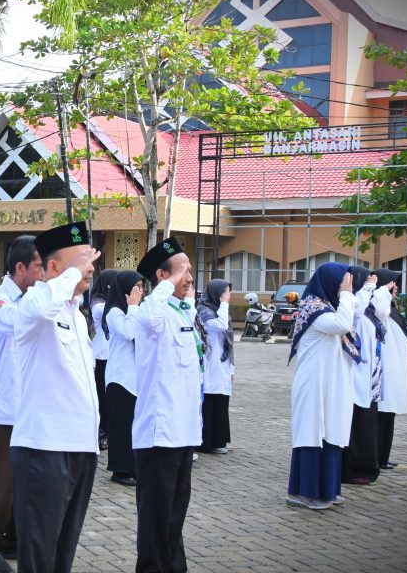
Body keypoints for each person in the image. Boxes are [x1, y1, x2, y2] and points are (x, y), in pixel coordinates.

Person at [11, 222, 101, 573]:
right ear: (53, 268)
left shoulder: (77, 316)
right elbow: (38, 309)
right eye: (80, 260)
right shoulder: (36, 302)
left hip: (80, 446)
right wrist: (68, 278)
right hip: (44, 448)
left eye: (91, 259)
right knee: (39, 551)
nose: (90, 267)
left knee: (63, 549)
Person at [132, 237, 202, 573]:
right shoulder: (153, 314)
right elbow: (149, 317)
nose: (189, 276)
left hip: (183, 431)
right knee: (156, 517)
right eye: (182, 270)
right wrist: (168, 285)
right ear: (161, 276)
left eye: (190, 270)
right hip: (159, 434)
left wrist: (183, 293)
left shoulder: (180, 312)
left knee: (175, 514)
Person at [0, 235, 43, 573]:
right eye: (39, 267)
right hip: (3, 406)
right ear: (20, 268)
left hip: (28, 406)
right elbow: (19, 322)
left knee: (24, 482)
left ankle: (10, 538)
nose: (44, 273)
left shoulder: (30, 298)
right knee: (2, 485)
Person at [286, 262, 358, 510]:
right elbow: (342, 325)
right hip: (314, 381)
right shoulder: (314, 308)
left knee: (331, 429)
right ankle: (304, 492)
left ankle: (327, 490)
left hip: (330, 380)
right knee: (312, 430)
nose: (345, 287)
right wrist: (347, 296)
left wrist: (349, 296)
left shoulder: (329, 307)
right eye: (342, 282)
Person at [341, 267, 388, 485]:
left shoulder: (369, 311)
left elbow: (383, 312)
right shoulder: (353, 309)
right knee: (356, 425)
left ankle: (365, 466)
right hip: (356, 377)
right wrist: (367, 288)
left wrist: (382, 290)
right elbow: (355, 312)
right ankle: (353, 468)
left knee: (366, 424)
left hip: (369, 378)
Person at [102, 270, 145, 487]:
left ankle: (134, 467)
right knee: (121, 425)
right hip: (120, 377)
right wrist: (135, 307)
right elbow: (129, 332)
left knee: (133, 425)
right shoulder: (115, 312)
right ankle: (120, 469)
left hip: (135, 377)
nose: (140, 291)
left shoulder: (135, 311)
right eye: (135, 286)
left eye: (142, 287)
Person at [372, 269, 407, 470]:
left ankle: (383, 457)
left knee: (389, 416)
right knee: (382, 416)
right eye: (392, 284)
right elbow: (379, 308)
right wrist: (383, 291)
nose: (395, 288)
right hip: (386, 369)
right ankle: (377, 458)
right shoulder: (380, 307)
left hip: (396, 368)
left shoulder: (391, 307)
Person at [195, 279, 234, 455]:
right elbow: (220, 325)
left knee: (221, 400)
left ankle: (219, 440)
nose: (227, 296)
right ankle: (205, 442)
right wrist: (224, 304)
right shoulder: (204, 311)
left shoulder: (219, 310)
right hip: (209, 362)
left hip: (222, 363)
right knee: (209, 400)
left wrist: (232, 368)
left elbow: (229, 340)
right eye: (224, 292)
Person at [90, 268, 117, 450]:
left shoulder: (109, 302)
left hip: (112, 354)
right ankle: (103, 432)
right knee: (103, 396)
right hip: (103, 355)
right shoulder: (100, 305)